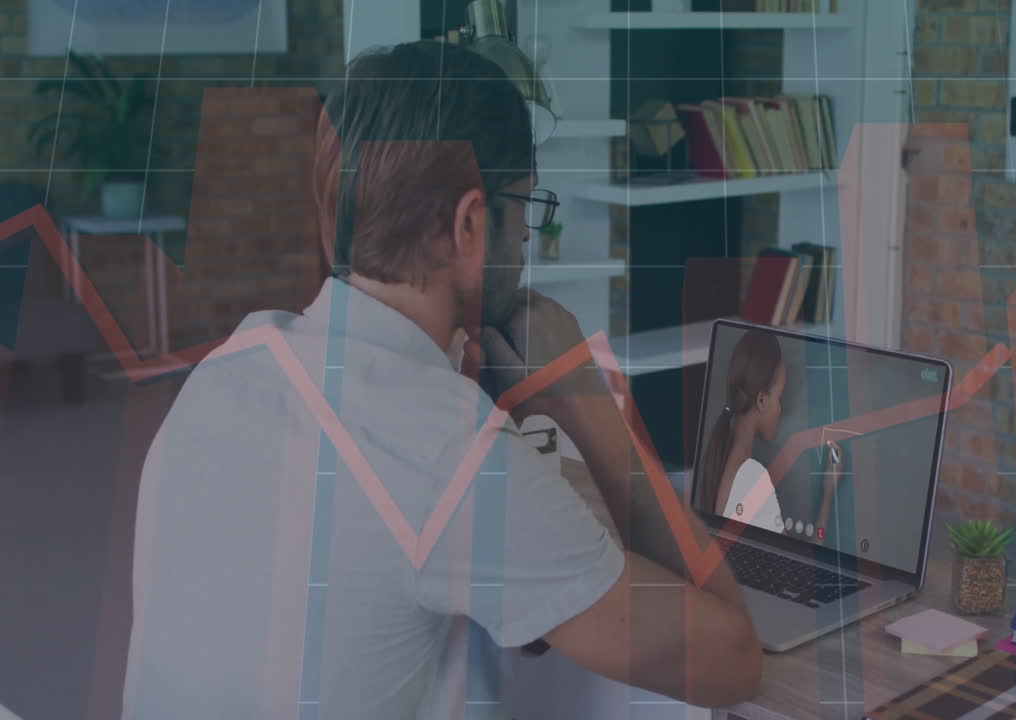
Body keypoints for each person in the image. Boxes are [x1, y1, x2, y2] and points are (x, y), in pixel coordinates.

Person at [123, 40, 760, 719]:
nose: (524, 240)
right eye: (524, 209)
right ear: (468, 223)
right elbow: (732, 664)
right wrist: (583, 396)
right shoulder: (447, 454)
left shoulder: (231, 365)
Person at [697, 330, 845, 540]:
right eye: (779, 398)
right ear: (762, 401)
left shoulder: (720, 461)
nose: (780, 410)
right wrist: (828, 494)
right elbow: (800, 572)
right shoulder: (751, 477)